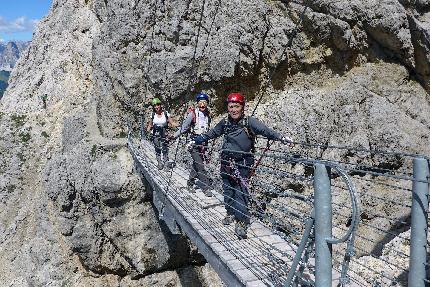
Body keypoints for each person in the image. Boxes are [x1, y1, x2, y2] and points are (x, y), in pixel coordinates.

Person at [194, 92, 293, 239]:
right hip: (226, 161)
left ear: (242, 107)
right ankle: (231, 212)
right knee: (228, 189)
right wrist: (197, 140)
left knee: (241, 191)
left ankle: (241, 221)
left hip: (243, 162)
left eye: (237, 106)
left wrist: (281, 138)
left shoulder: (250, 122)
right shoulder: (225, 122)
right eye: (231, 106)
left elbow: (265, 131)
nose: (233, 109)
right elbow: (213, 133)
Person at [173, 93, 212, 196]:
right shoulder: (192, 114)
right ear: (197, 103)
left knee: (196, 165)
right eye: (200, 102)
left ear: (207, 104)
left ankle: (190, 184)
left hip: (203, 144)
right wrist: (173, 136)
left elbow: (207, 130)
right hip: (193, 143)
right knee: (200, 165)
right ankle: (206, 187)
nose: (202, 105)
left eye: (204, 102)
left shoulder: (208, 115)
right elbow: (184, 127)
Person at [146, 97, 177, 170]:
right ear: (153, 107)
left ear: (160, 105)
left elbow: (172, 122)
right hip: (155, 134)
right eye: (155, 105)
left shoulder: (166, 114)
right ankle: (159, 163)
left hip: (164, 134)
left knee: (165, 149)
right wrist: (148, 130)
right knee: (157, 149)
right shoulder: (153, 114)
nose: (157, 107)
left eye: (158, 105)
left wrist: (182, 125)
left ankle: (166, 164)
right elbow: (150, 124)